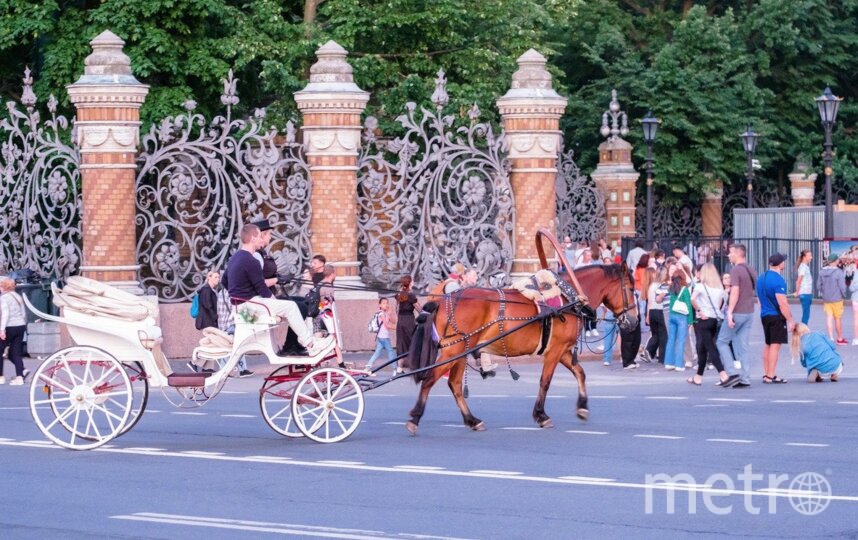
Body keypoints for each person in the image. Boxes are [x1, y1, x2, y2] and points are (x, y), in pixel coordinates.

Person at [226, 223, 332, 357]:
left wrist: (236, 296)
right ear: (252, 238)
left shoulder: (234, 258)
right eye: (259, 236)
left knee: (289, 306)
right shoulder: (250, 260)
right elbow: (262, 289)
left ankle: (303, 343)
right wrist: (276, 306)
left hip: (242, 306)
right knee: (291, 307)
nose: (261, 239)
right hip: (249, 306)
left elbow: (225, 281)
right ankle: (310, 343)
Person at [716, 244, 756, 389]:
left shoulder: (736, 270)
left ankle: (732, 373)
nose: (728, 255)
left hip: (738, 311)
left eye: (731, 252)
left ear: (738, 254)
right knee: (743, 345)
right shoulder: (750, 268)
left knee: (722, 341)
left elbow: (735, 292)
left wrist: (729, 312)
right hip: (749, 311)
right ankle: (745, 377)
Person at [688, 264, 732, 386]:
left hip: (704, 319)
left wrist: (699, 310)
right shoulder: (719, 287)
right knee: (702, 346)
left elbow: (692, 299)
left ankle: (723, 374)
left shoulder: (700, 286)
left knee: (709, 346)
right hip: (715, 319)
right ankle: (698, 377)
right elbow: (719, 304)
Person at [756, 253, 794, 384]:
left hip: (764, 315)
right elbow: (782, 302)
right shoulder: (778, 280)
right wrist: (790, 319)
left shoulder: (761, 277)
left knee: (767, 344)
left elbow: (759, 300)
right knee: (775, 345)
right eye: (783, 261)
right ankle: (771, 375)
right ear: (781, 264)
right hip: (776, 316)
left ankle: (766, 373)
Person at [664, 264, 693, 371]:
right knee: (681, 340)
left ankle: (669, 363)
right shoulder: (685, 290)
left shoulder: (670, 288)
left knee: (671, 339)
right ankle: (679, 364)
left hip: (672, 315)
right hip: (682, 317)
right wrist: (690, 320)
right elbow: (688, 305)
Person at [0, 276, 28, 386]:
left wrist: (2, 329)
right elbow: (23, 313)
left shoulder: (3, 298)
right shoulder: (17, 296)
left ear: (3, 286)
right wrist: (23, 324)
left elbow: (5, 314)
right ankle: (19, 377)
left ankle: (1, 377)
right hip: (20, 326)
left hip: (9, 327)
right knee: (16, 352)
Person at [819, 253, 847, 344]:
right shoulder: (839, 272)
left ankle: (830, 338)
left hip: (826, 298)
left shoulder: (822, 271)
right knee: (837, 318)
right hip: (837, 298)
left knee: (829, 317)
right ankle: (839, 338)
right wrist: (844, 295)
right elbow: (842, 287)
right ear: (835, 261)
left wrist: (824, 292)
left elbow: (818, 285)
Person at [365, 298, 397, 375]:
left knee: (377, 352)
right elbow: (386, 325)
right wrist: (397, 328)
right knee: (391, 352)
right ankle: (395, 369)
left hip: (382, 337)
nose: (386, 305)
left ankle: (367, 367)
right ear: (380, 305)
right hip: (383, 337)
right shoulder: (381, 313)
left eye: (387, 303)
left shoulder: (386, 313)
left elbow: (394, 321)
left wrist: (391, 312)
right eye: (383, 303)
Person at [644, 266, 669, 364]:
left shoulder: (651, 286)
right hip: (661, 311)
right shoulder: (663, 285)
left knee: (655, 334)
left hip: (652, 311)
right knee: (663, 335)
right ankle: (662, 358)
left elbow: (649, 301)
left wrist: (647, 315)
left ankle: (649, 350)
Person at [395, 276, 419, 373]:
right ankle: (414, 366)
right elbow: (419, 308)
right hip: (409, 320)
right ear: (409, 283)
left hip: (400, 321)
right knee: (412, 342)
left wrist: (398, 320)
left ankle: (399, 368)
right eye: (412, 281)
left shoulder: (398, 294)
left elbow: (396, 309)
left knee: (401, 343)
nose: (413, 282)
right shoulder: (411, 295)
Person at [794, 250, 814, 326]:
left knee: (806, 314)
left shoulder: (805, 267)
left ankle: (804, 329)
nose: (811, 258)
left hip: (807, 293)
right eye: (809, 256)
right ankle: (803, 330)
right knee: (806, 314)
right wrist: (797, 291)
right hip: (805, 293)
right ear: (804, 257)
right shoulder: (803, 267)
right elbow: (798, 281)